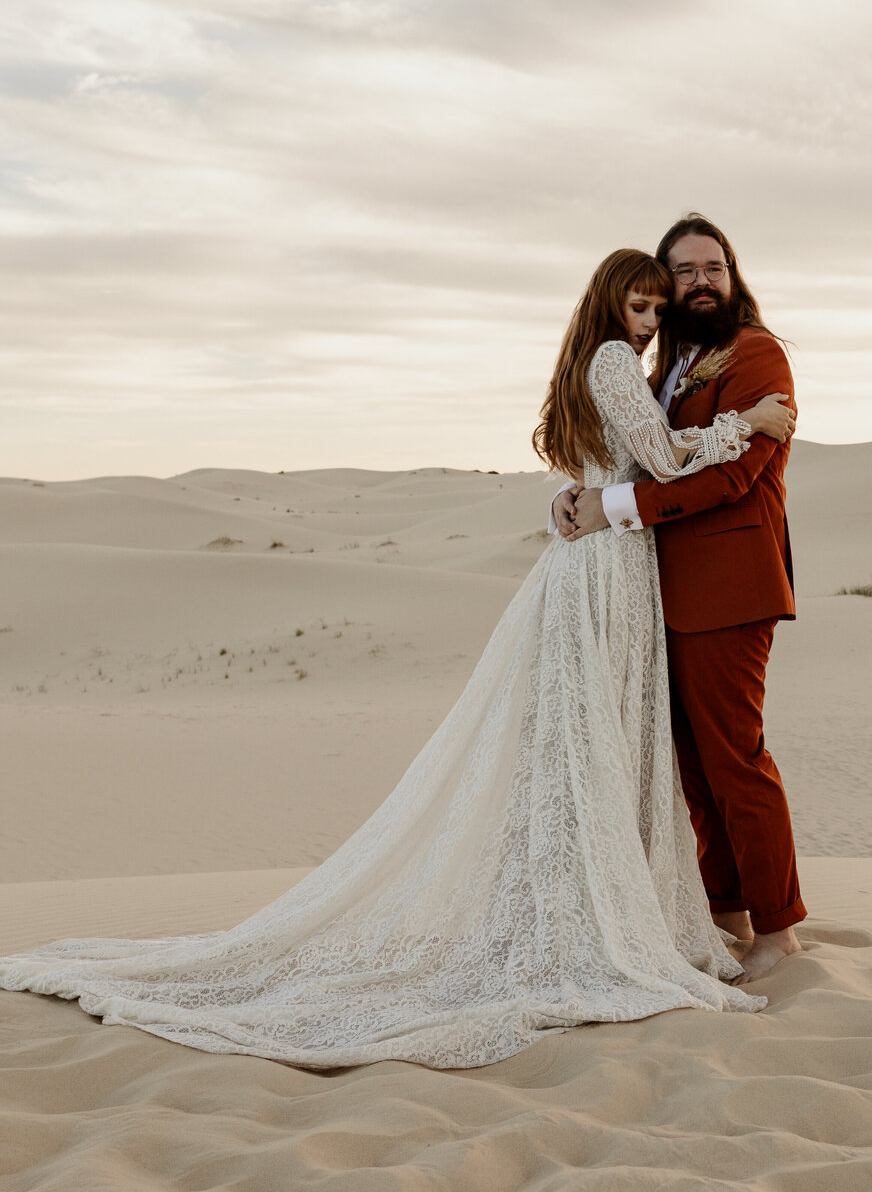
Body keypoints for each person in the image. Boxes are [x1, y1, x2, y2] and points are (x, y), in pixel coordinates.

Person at [0, 249, 795, 1070]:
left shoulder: (623, 361)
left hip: (612, 568)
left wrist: (583, 494)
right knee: (601, 748)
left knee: (602, 747)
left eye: (659, 307)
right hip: (608, 571)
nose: (654, 318)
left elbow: (605, 459)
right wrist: (741, 426)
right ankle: (608, 920)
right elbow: (662, 462)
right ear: (612, 304)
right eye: (643, 304)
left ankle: (656, 911)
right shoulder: (626, 363)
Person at [556, 215, 805, 982]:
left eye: (713, 269)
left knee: (736, 758)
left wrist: (614, 508)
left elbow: (731, 477)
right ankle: (724, 905)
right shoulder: (664, 361)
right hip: (661, 591)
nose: (699, 284)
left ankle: (777, 931)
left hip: (728, 590)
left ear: (734, 276)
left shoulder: (758, 355)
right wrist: (582, 494)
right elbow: (635, 450)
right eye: (683, 273)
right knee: (693, 765)